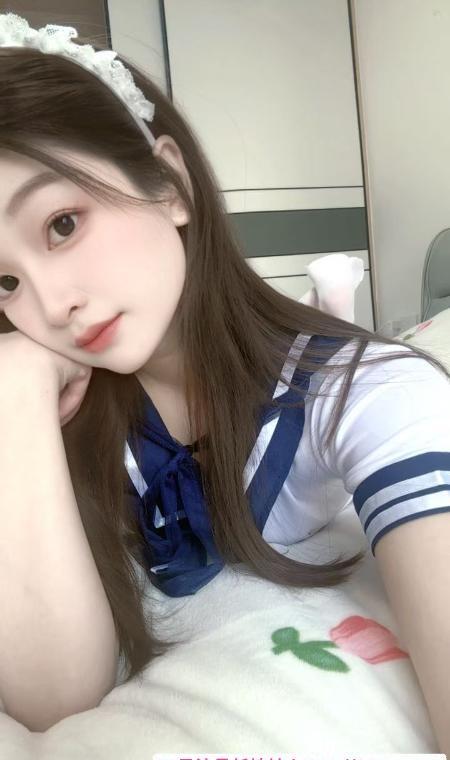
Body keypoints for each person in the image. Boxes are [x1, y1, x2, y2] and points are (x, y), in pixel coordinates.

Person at [0, 13, 449, 747]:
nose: (50, 306)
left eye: (62, 224)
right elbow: (56, 698)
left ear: (170, 184)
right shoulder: (54, 419)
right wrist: (17, 383)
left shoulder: (371, 392)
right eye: (4, 282)